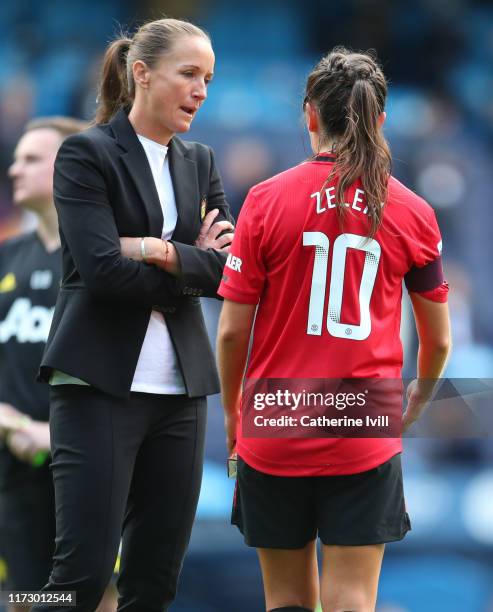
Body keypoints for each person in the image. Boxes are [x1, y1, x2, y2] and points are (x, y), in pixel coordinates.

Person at [217, 47, 451, 612]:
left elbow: (230, 333)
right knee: (352, 600)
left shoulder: (265, 200)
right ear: (380, 120)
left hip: (274, 418)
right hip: (363, 419)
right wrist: (419, 393)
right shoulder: (412, 209)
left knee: (288, 601)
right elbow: (438, 338)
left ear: (310, 116)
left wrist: (234, 417)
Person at [32, 18, 234, 612]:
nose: (201, 90)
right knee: (78, 579)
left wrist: (156, 249)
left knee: (154, 580)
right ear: (142, 73)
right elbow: (100, 272)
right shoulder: (85, 152)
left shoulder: (200, 161)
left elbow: (230, 271)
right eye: (189, 74)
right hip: (96, 385)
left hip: (182, 393)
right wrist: (190, 263)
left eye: (209, 79)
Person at [0, 117, 104, 612]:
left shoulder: (103, 260)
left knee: (100, 597)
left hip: (90, 463)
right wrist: (13, 422)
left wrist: (55, 435)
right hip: (14, 464)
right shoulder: (5, 259)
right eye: (16, 157)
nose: (15, 169)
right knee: (25, 597)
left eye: (31, 158)